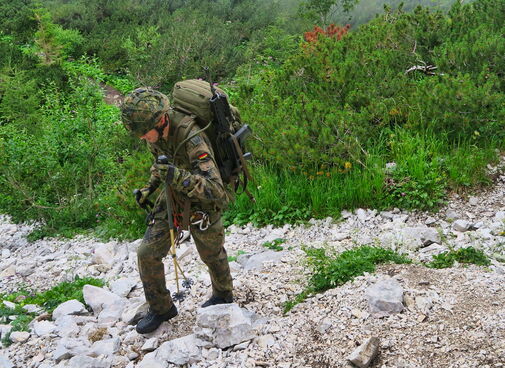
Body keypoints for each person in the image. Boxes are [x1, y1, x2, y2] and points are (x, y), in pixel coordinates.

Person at [120, 87, 234, 334]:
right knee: (147, 252)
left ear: (161, 121)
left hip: (201, 199)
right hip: (174, 193)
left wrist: (177, 176)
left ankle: (223, 295)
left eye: (144, 132)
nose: (142, 138)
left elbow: (217, 191)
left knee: (211, 253)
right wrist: (150, 187)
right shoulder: (155, 134)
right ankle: (161, 307)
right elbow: (159, 160)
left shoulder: (192, 137)